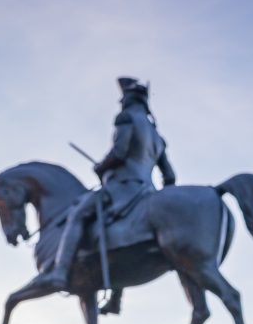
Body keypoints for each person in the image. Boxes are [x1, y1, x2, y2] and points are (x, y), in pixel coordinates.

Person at [40, 76, 176, 300]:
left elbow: (120, 151)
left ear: (127, 100)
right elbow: (170, 176)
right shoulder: (157, 136)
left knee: (77, 214)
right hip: (146, 192)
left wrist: (102, 166)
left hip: (121, 188)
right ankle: (115, 299)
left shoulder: (126, 118)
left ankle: (60, 272)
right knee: (118, 235)